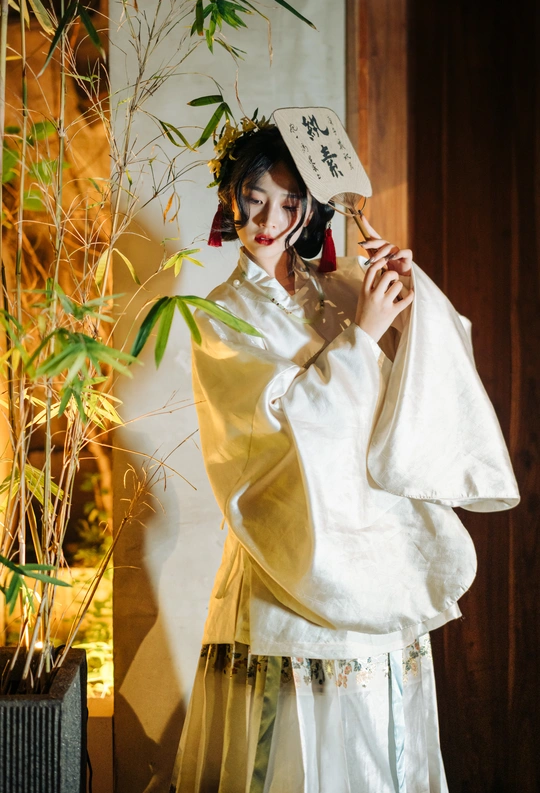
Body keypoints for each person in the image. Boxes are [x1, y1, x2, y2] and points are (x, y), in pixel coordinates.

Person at [170, 123, 519, 793]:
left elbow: (431, 372)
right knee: (297, 750)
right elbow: (275, 436)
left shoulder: (340, 288)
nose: (268, 221)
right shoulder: (220, 316)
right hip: (290, 554)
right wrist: (364, 337)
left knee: (375, 743)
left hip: (377, 549)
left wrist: (411, 298)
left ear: (310, 209)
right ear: (229, 200)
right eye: (253, 199)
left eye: (288, 202)